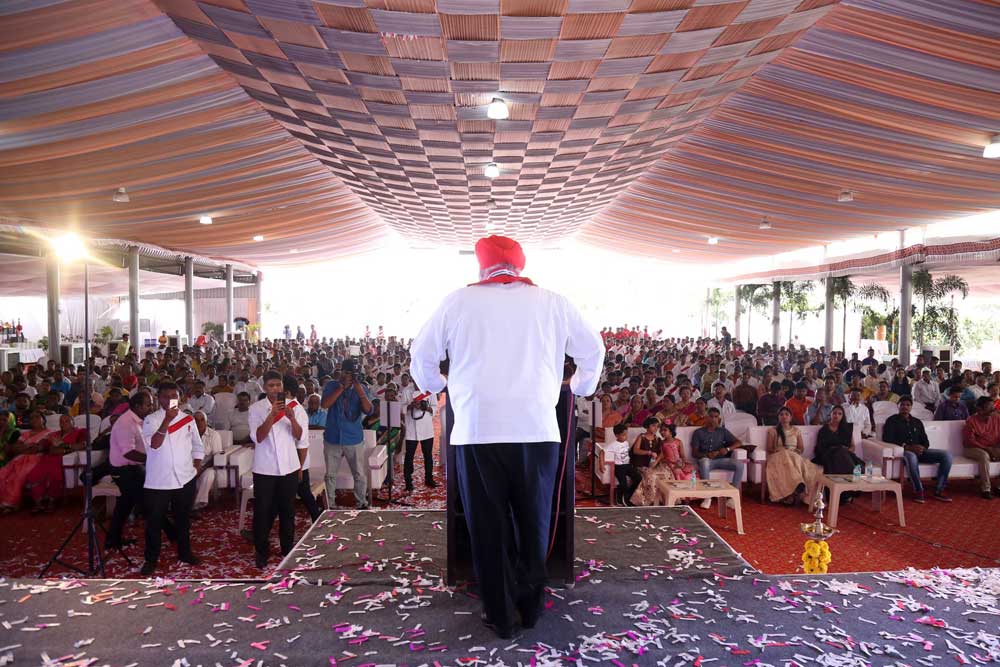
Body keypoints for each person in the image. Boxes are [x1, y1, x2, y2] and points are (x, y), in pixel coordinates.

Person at [409, 235, 604, 639]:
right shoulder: (554, 302)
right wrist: (580, 386)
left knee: (488, 525)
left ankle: (499, 614)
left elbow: (421, 357)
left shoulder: (457, 302)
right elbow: (594, 350)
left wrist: (440, 384)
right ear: (521, 265)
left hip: (477, 430)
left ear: (481, 266)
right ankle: (530, 608)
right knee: (534, 519)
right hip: (537, 429)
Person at [140, 381, 204, 576]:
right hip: (158, 481)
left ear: (180, 398)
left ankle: (185, 553)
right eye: (165, 396)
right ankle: (151, 559)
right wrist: (167, 420)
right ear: (158, 398)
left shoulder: (188, 419)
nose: (170, 400)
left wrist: (196, 467)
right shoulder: (151, 420)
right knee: (154, 522)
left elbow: (197, 445)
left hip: (185, 478)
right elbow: (154, 444)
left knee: (183, 520)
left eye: (174, 396)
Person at [248, 371, 309, 568]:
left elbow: (300, 437)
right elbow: (258, 437)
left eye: (278, 385)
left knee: (287, 510)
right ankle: (261, 551)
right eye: (271, 385)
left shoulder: (294, 407)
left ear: (283, 386)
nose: (275, 389)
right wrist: (272, 415)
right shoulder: (256, 409)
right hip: (264, 468)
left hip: (289, 467)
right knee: (262, 511)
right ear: (265, 387)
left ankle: (287, 549)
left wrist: (291, 418)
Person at [107, 393, 161, 551]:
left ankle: (112, 540)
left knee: (125, 505)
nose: (151, 407)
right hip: (124, 470)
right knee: (149, 502)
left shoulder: (139, 420)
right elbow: (128, 453)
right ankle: (171, 534)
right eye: (148, 404)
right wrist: (152, 458)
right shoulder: (126, 423)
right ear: (137, 406)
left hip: (133, 467)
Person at [321, 359, 374, 510]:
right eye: (347, 373)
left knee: (359, 473)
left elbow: (369, 410)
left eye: (353, 374)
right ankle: (330, 504)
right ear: (342, 372)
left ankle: (361, 502)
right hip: (333, 437)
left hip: (354, 438)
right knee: (330, 474)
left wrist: (359, 391)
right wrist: (341, 388)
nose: (350, 376)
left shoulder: (361, 388)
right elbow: (324, 404)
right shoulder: (331, 385)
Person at [882, 397, 952, 503]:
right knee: (911, 456)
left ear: (911, 407)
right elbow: (888, 439)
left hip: (920, 451)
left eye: (908, 405)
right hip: (903, 452)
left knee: (946, 455)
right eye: (902, 404)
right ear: (898, 406)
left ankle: (939, 490)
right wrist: (908, 447)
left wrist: (922, 448)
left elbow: (925, 441)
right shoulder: (891, 421)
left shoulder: (917, 422)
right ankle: (919, 490)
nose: (905, 407)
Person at [765, 407, 820, 505]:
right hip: (778, 456)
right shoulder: (773, 431)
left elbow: (801, 448)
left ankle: (797, 491)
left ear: (791, 417)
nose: (784, 416)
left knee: (812, 469)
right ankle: (795, 489)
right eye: (781, 414)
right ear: (778, 417)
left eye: (786, 414)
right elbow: (769, 449)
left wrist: (795, 451)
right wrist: (780, 450)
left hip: (793, 455)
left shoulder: (796, 430)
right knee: (786, 456)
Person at [691, 407, 744, 508]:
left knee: (740, 465)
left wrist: (727, 449)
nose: (713, 419)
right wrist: (707, 455)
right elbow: (694, 453)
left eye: (716, 417)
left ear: (719, 419)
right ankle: (707, 496)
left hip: (720, 460)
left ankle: (731, 498)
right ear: (706, 418)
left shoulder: (722, 431)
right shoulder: (698, 432)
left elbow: (739, 442)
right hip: (706, 460)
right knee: (705, 462)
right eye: (711, 417)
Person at [399, 377, 436, 492]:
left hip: (426, 429)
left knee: (428, 455)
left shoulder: (430, 391)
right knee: (409, 456)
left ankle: (429, 478)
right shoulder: (406, 391)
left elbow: (434, 407)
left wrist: (426, 407)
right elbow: (401, 407)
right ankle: (408, 481)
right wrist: (411, 406)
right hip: (411, 429)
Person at [961, 396, 1000, 499]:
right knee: (984, 455)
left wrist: (995, 448)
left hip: (992, 447)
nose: (993, 409)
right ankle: (986, 489)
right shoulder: (971, 421)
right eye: (989, 407)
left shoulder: (997, 418)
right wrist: (987, 449)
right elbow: (970, 441)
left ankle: (998, 487)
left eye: (993, 406)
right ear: (980, 409)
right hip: (971, 448)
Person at [814, 405, 864, 475]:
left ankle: (851, 473)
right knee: (839, 451)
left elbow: (852, 446)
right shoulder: (823, 430)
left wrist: (845, 451)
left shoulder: (846, 428)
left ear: (842, 416)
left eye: (839, 414)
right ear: (831, 414)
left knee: (842, 452)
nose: (836, 415)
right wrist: (837, 450)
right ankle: (852, 473)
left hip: (845, 454)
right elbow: (820, 448)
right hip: (829, 455)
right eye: (834, 413)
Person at [192, 411, 223, 512]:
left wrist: (201, 469)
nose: (199, 423)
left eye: (202, 420)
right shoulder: (188, 434)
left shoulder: (214, 435)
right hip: (190, 468)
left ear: (206, 422)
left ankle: (198, 504)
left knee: (209, 474)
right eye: (196, 420)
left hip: (206, 467)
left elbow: (216, 456)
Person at [603, 423, 639, 506]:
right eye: (623, 435)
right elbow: (602, 452)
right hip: (619, 467)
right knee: (624, 484)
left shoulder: (626, 443)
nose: (625, 436)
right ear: (617, 435)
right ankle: (621, 495)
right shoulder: (613, 445)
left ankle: (628, 494)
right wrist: (601, 464)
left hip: (627, 465)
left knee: (638, 477)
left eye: (626, 434)